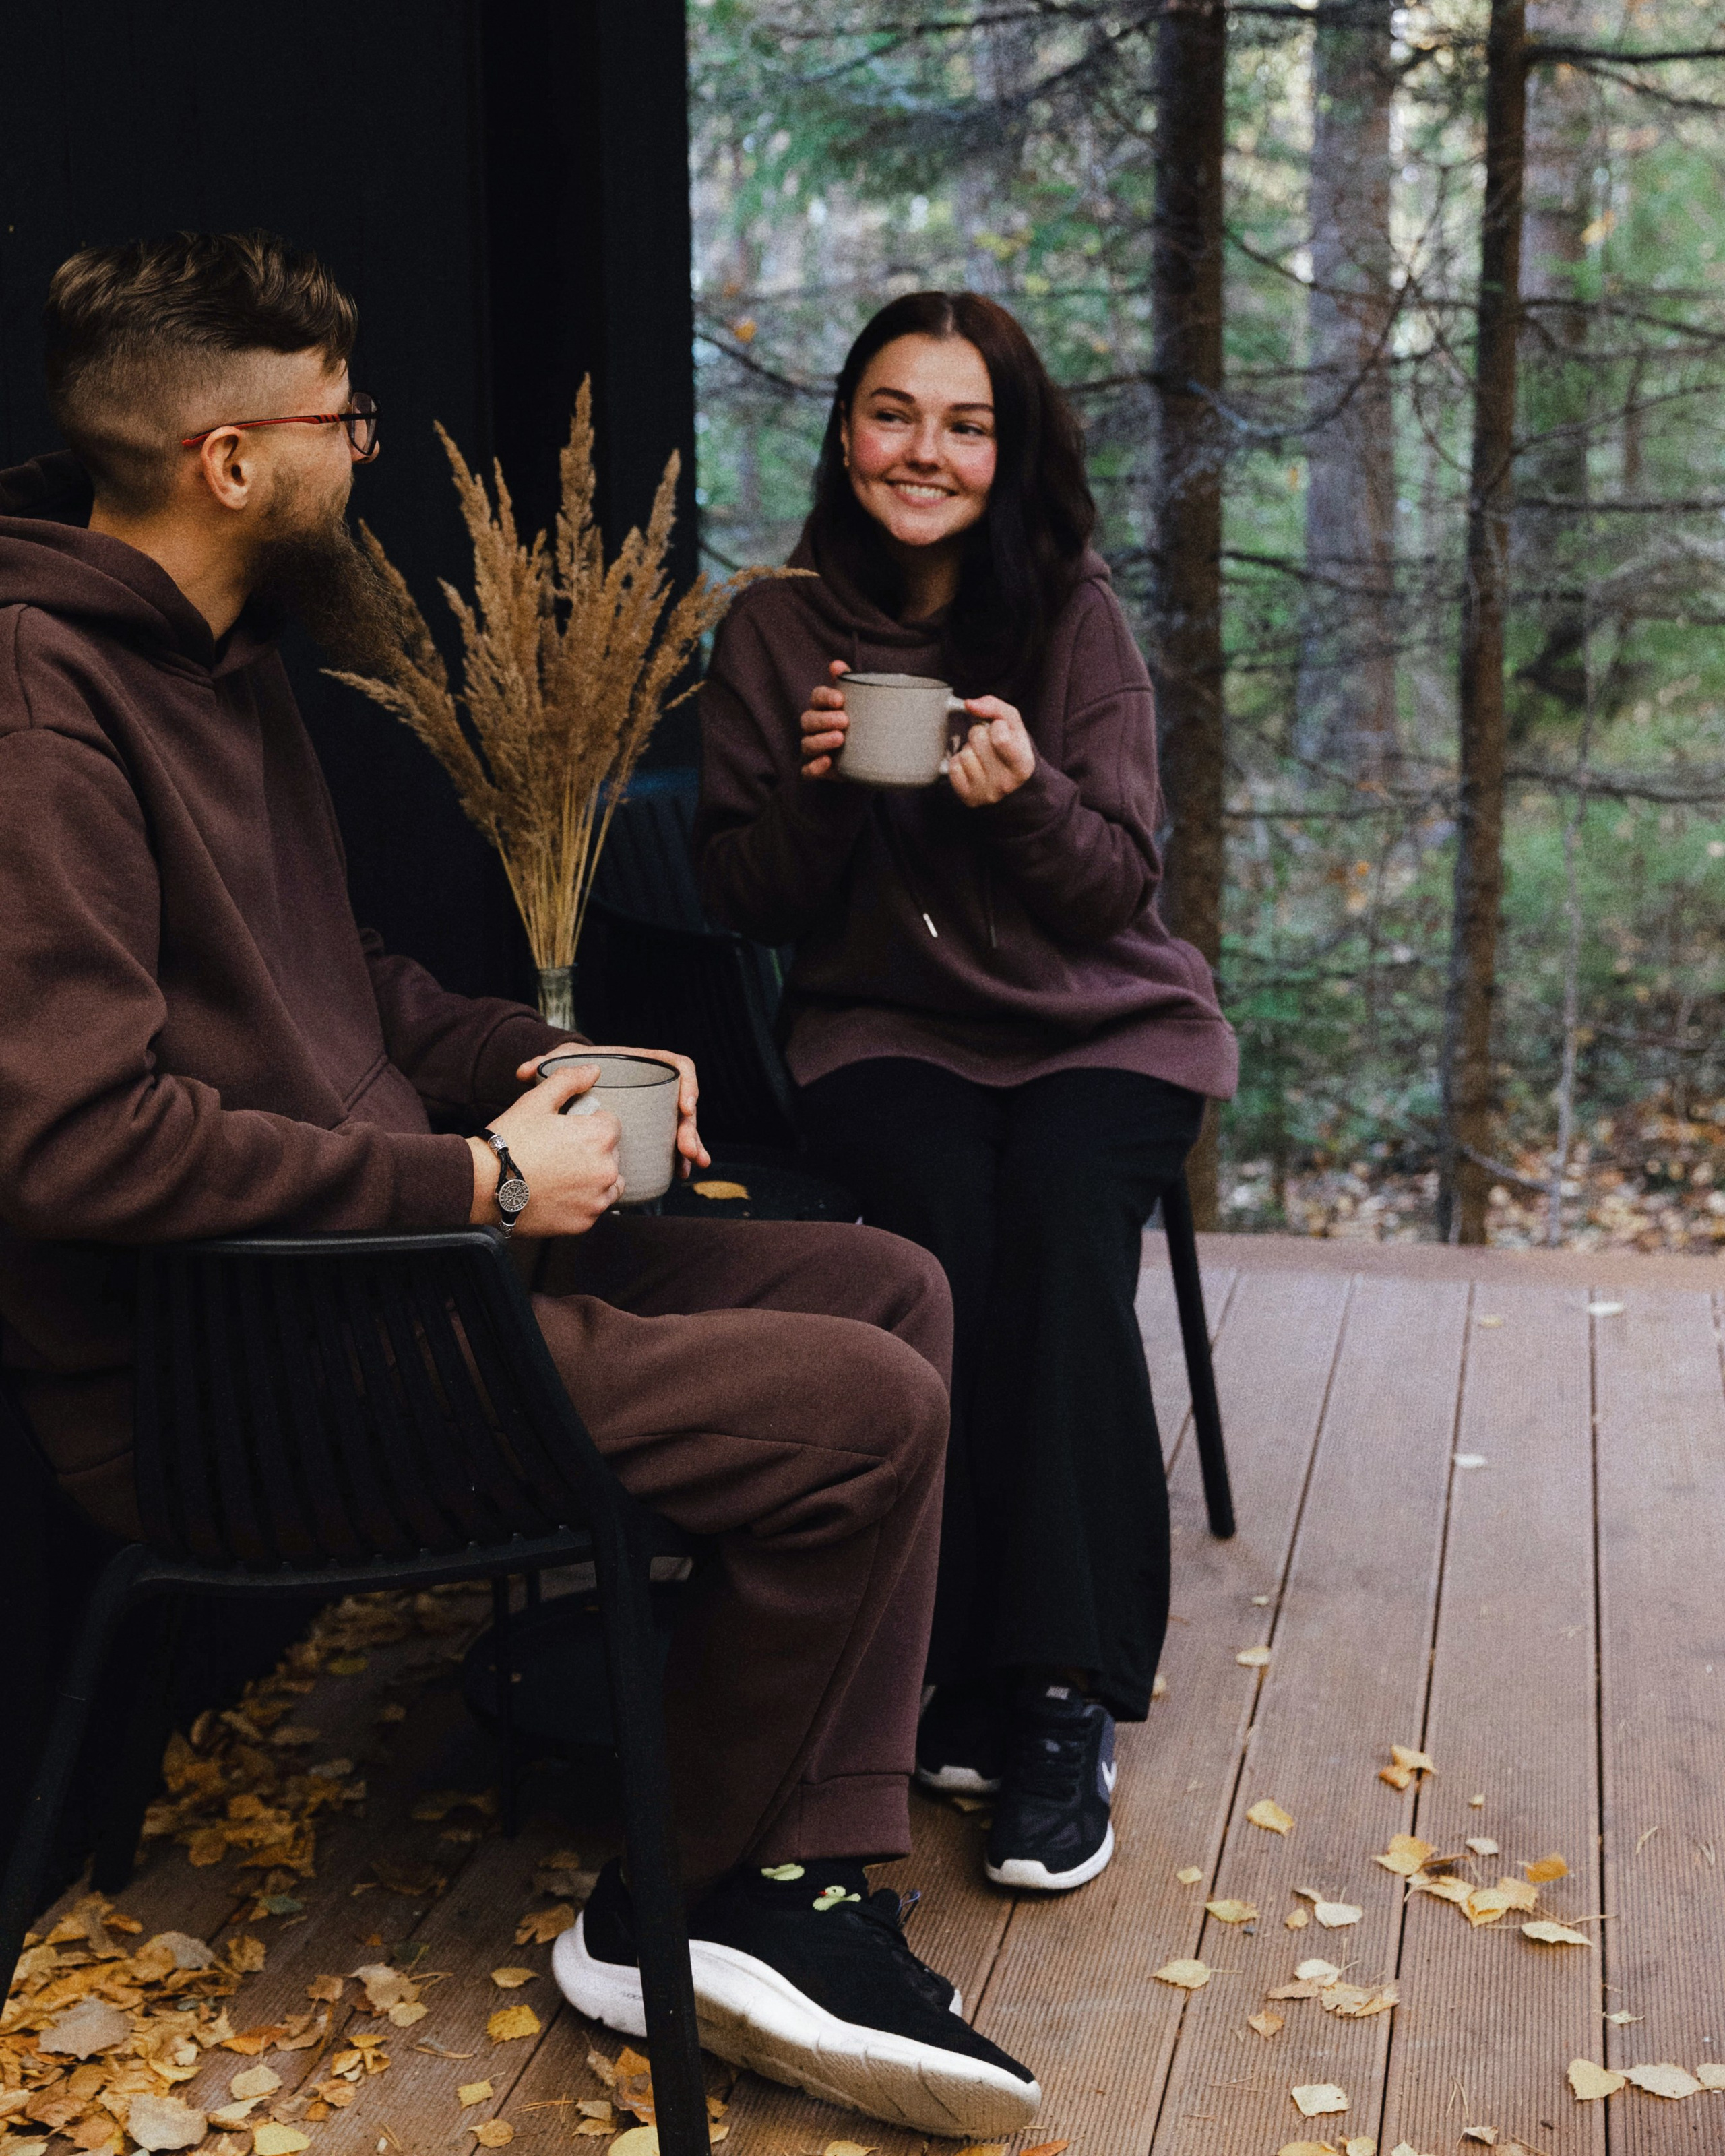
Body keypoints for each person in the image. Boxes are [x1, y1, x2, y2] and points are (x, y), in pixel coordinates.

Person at [0, 234, 1039, 2138]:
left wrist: (532, 1064)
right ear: (231, 462)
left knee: (895, 1291)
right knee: (863, 1410)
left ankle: (778, 1880)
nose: (367, 452)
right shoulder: (39, 708)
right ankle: (673, 1909)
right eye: (342, 421)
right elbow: (70, 1142)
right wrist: (477, 1176)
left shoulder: (222, 667)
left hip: (390, 1286)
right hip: (245, 1372)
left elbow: (355, 979)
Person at [695, 291, 1238, 1895]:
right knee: (945, 1240)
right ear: (843, 431)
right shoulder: (775, 629)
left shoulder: (1070, 616)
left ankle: (1057, 1694)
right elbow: (755, 906)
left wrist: (1023, 801)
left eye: (962, 421)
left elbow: (1113, 896)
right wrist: (817, 791)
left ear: (1010, 450)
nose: (920, 451)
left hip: (1104, 1026)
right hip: (886, 1028)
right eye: (889, 412)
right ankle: (954, 1654)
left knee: (1064, 1238)